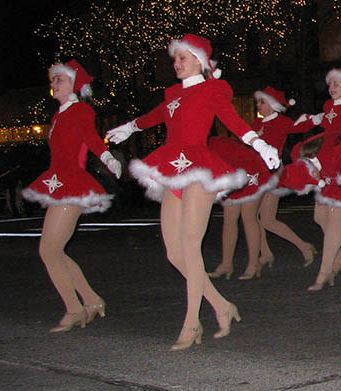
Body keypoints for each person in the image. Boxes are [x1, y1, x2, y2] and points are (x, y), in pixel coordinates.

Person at [106, 34, 280, 350]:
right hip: (172, 168)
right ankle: (222, 306)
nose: (176, 64)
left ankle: (191, 322)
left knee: (189, 245)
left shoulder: (211, 90)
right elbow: (155, 116)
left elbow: (233, 120)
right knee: (174, 253)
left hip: (199, 168)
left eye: (182, 58)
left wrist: (259, 143)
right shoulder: (174, 95)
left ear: (199, 60)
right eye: (175, 59)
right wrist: (129, 127)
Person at [22, 60, 121, 332]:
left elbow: (90, 138)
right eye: (53, 80)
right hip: (58, 182)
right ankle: (90, 300)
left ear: (74, 85)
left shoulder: (80, 110)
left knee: (49, 250)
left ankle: (75, 309)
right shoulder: (58, 115)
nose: (53, 84)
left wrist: (108, 158)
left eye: (59, 80)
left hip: (72, 183)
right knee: (55, 250)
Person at [288, 68, 341, 290]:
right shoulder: (328, 107)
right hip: (326, 164)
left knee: (334, 219)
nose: (332, 87)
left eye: (337, 83)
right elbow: (325, 134)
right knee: (319, 216)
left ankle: (325, 272)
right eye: (330, 83)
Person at [250, 86, 317, 273]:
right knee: (254, 218)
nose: (258, 105)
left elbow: (301, 126)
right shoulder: (256, 124)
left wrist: (314, 118)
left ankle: (304, 246)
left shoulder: (281, 122)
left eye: (262, 102)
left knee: (268, 220)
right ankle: (265, 253)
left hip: (272, 175)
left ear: (272, 104)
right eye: (258, 102)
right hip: (257, 174)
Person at [206, 134, 276, 280]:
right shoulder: (207, 145)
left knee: (248, 217)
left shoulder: (216, 144)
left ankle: (253, 264)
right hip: (232, 175)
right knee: (229, 219)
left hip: (251, 171)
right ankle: (226, 264)